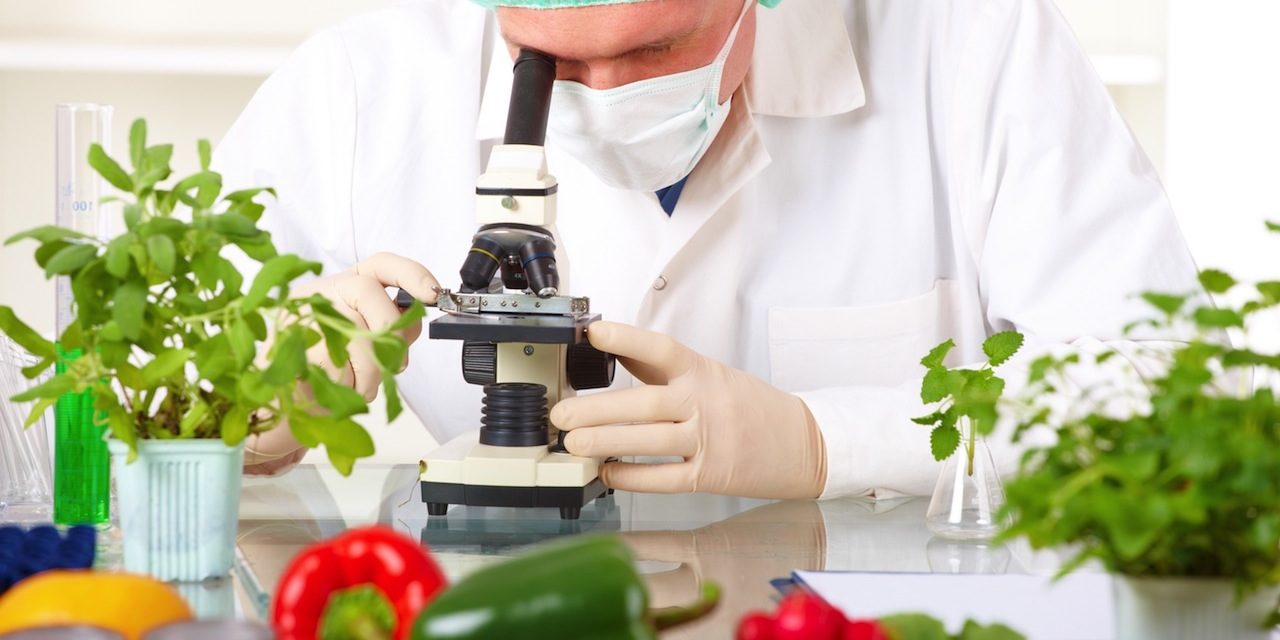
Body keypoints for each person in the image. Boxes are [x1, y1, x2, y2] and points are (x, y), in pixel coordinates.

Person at [214, 0, 1199, 498]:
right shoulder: (359, 87)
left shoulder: (971, 44)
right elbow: (159, 386)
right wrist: (255, 410)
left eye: (653, 51)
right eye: (545, 60)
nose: (604, 90)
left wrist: (827, 440)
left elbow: (1171, 399)